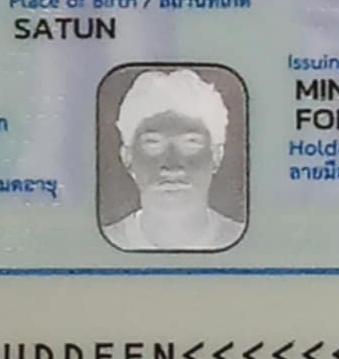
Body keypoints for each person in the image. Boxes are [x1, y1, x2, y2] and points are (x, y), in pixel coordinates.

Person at [102, 66, 244, 252]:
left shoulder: (247, 243)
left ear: (217, 156)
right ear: (127, 158)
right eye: (153, 143)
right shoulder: (102, 244)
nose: (172, 165)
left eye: (191, 143)